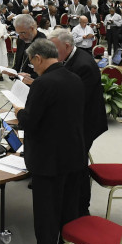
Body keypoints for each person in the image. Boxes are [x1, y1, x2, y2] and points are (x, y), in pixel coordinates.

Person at [14, 38, 85, 244]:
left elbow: (31, 122)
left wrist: (19, 112)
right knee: (68, 213)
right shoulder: (74, 79)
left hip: (48, 160)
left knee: (46, 216)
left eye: (32, 63)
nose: (33, 68)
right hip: (74, 156)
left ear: (38, 59)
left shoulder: (43, 84)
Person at [49, 28, 107, 218]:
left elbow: (76, 99)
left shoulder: (84, 65)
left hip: (86, 123)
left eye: (54, 48)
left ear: (67, 46)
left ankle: (82, 207)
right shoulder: (69, 58)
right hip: (77, 120)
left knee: (79, 164)